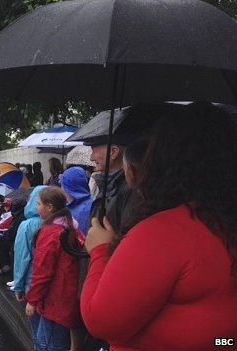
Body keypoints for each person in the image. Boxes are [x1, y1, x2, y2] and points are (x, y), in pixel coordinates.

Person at [81, 103, 237, 350]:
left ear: (166, 158)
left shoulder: (165, 233)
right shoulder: (223, 224)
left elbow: (101, 321)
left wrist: (100, 251)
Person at [25, 187, 85, 351]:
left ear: (50, 207)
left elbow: (42, 271)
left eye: (38, 204)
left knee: (47, 344)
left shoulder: (51, 232)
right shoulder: (71, 226)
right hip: (66, 297)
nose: (36, 207)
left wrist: (32, 300)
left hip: (54, 300)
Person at [12, 185, 46, 298]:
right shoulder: (61, 223)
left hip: (31, 284)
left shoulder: (26, 225)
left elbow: (22, 257)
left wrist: (18, 286)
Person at [61, 167, 93, 235]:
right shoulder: (89, 201)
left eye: (62, 185)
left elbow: (80, 239)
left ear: (68, 187)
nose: (61, 189)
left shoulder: (83, 211)